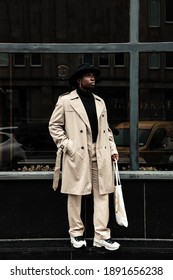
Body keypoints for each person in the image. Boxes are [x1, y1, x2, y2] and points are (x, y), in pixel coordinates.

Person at [49, 63, 120, 251]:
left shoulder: (100, 102)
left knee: (103, 193)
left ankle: (102, 236)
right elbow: (54, 126)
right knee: (75, 194)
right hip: (78, 153)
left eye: (93, 76)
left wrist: (112, 148)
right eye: (88, 76)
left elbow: (107, 129)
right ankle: (76, 234)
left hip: (101, 152)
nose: (92, 78)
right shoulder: (66, 101)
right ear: (79, 80)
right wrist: (67, 146)